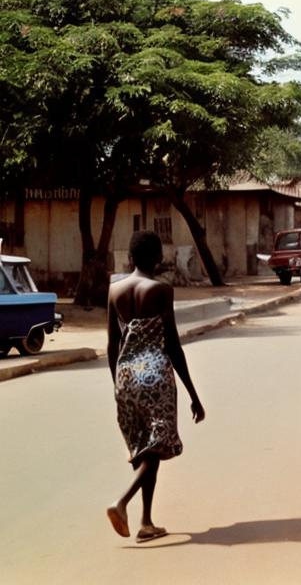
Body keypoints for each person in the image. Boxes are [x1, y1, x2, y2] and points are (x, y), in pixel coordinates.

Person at [106, 231, 205, 542]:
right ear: (158, 258)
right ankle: (121, 502)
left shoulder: (114, 291)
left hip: (125, 374)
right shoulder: (162, 290)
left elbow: (112, 344)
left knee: (143, 446)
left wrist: (117, 385)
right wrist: (193, 394)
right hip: (155, 374)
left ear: (131, 258)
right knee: (158, 443)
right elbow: (173, 345)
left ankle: (146, 522)